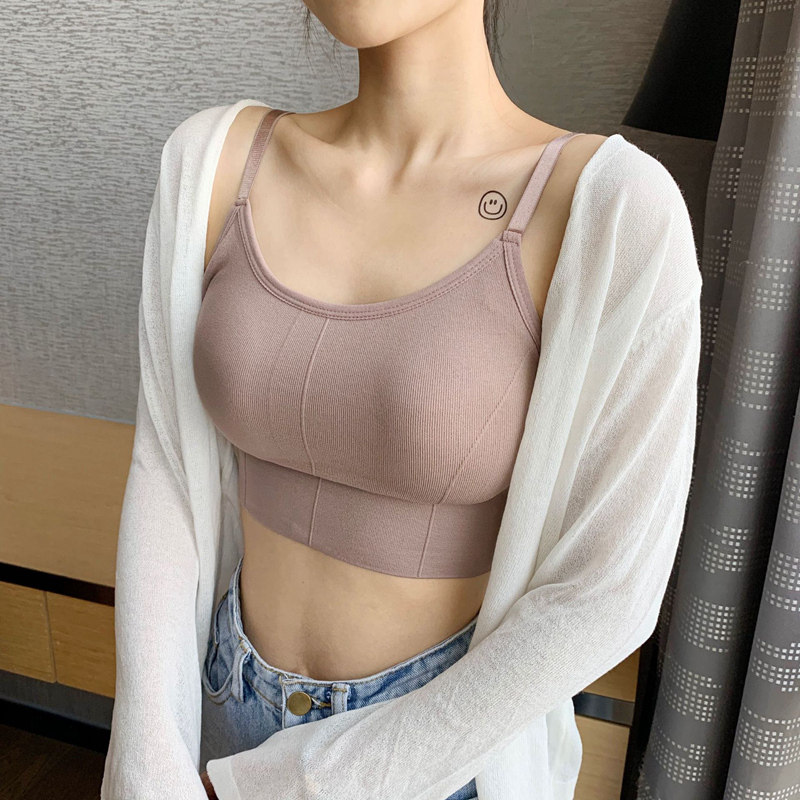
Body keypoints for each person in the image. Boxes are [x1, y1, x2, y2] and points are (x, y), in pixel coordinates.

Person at [101, 2, 703, 798]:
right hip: (216, 711)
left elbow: (605, 593)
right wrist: (148, 762)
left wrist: (293, 785)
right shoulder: (210, 161)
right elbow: (167, 472)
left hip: (433, 761)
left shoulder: (611, 207)